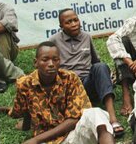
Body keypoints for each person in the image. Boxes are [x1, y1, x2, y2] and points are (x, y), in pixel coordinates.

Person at [9, 41, 116, 144]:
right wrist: (26, 126)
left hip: (73, 136)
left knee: (95, 113)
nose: (51, 64)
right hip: (47, 142)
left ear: (60, 61)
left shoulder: (70, 79)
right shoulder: (25, 84)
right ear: (35, 62)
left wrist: (36, 140)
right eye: (45, 60)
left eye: (55, 59)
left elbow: (74, 119)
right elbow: (21, 110)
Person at [49, 9, 124, 138]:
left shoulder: (86, 37)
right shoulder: (54, 41)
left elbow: (96, 61)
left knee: (100, 67)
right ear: (61, 26)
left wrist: (104, 75)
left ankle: (112, 118)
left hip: (86, 83)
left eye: (75, 20)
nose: (74, 24)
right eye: (68, 22)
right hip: (69, 86)